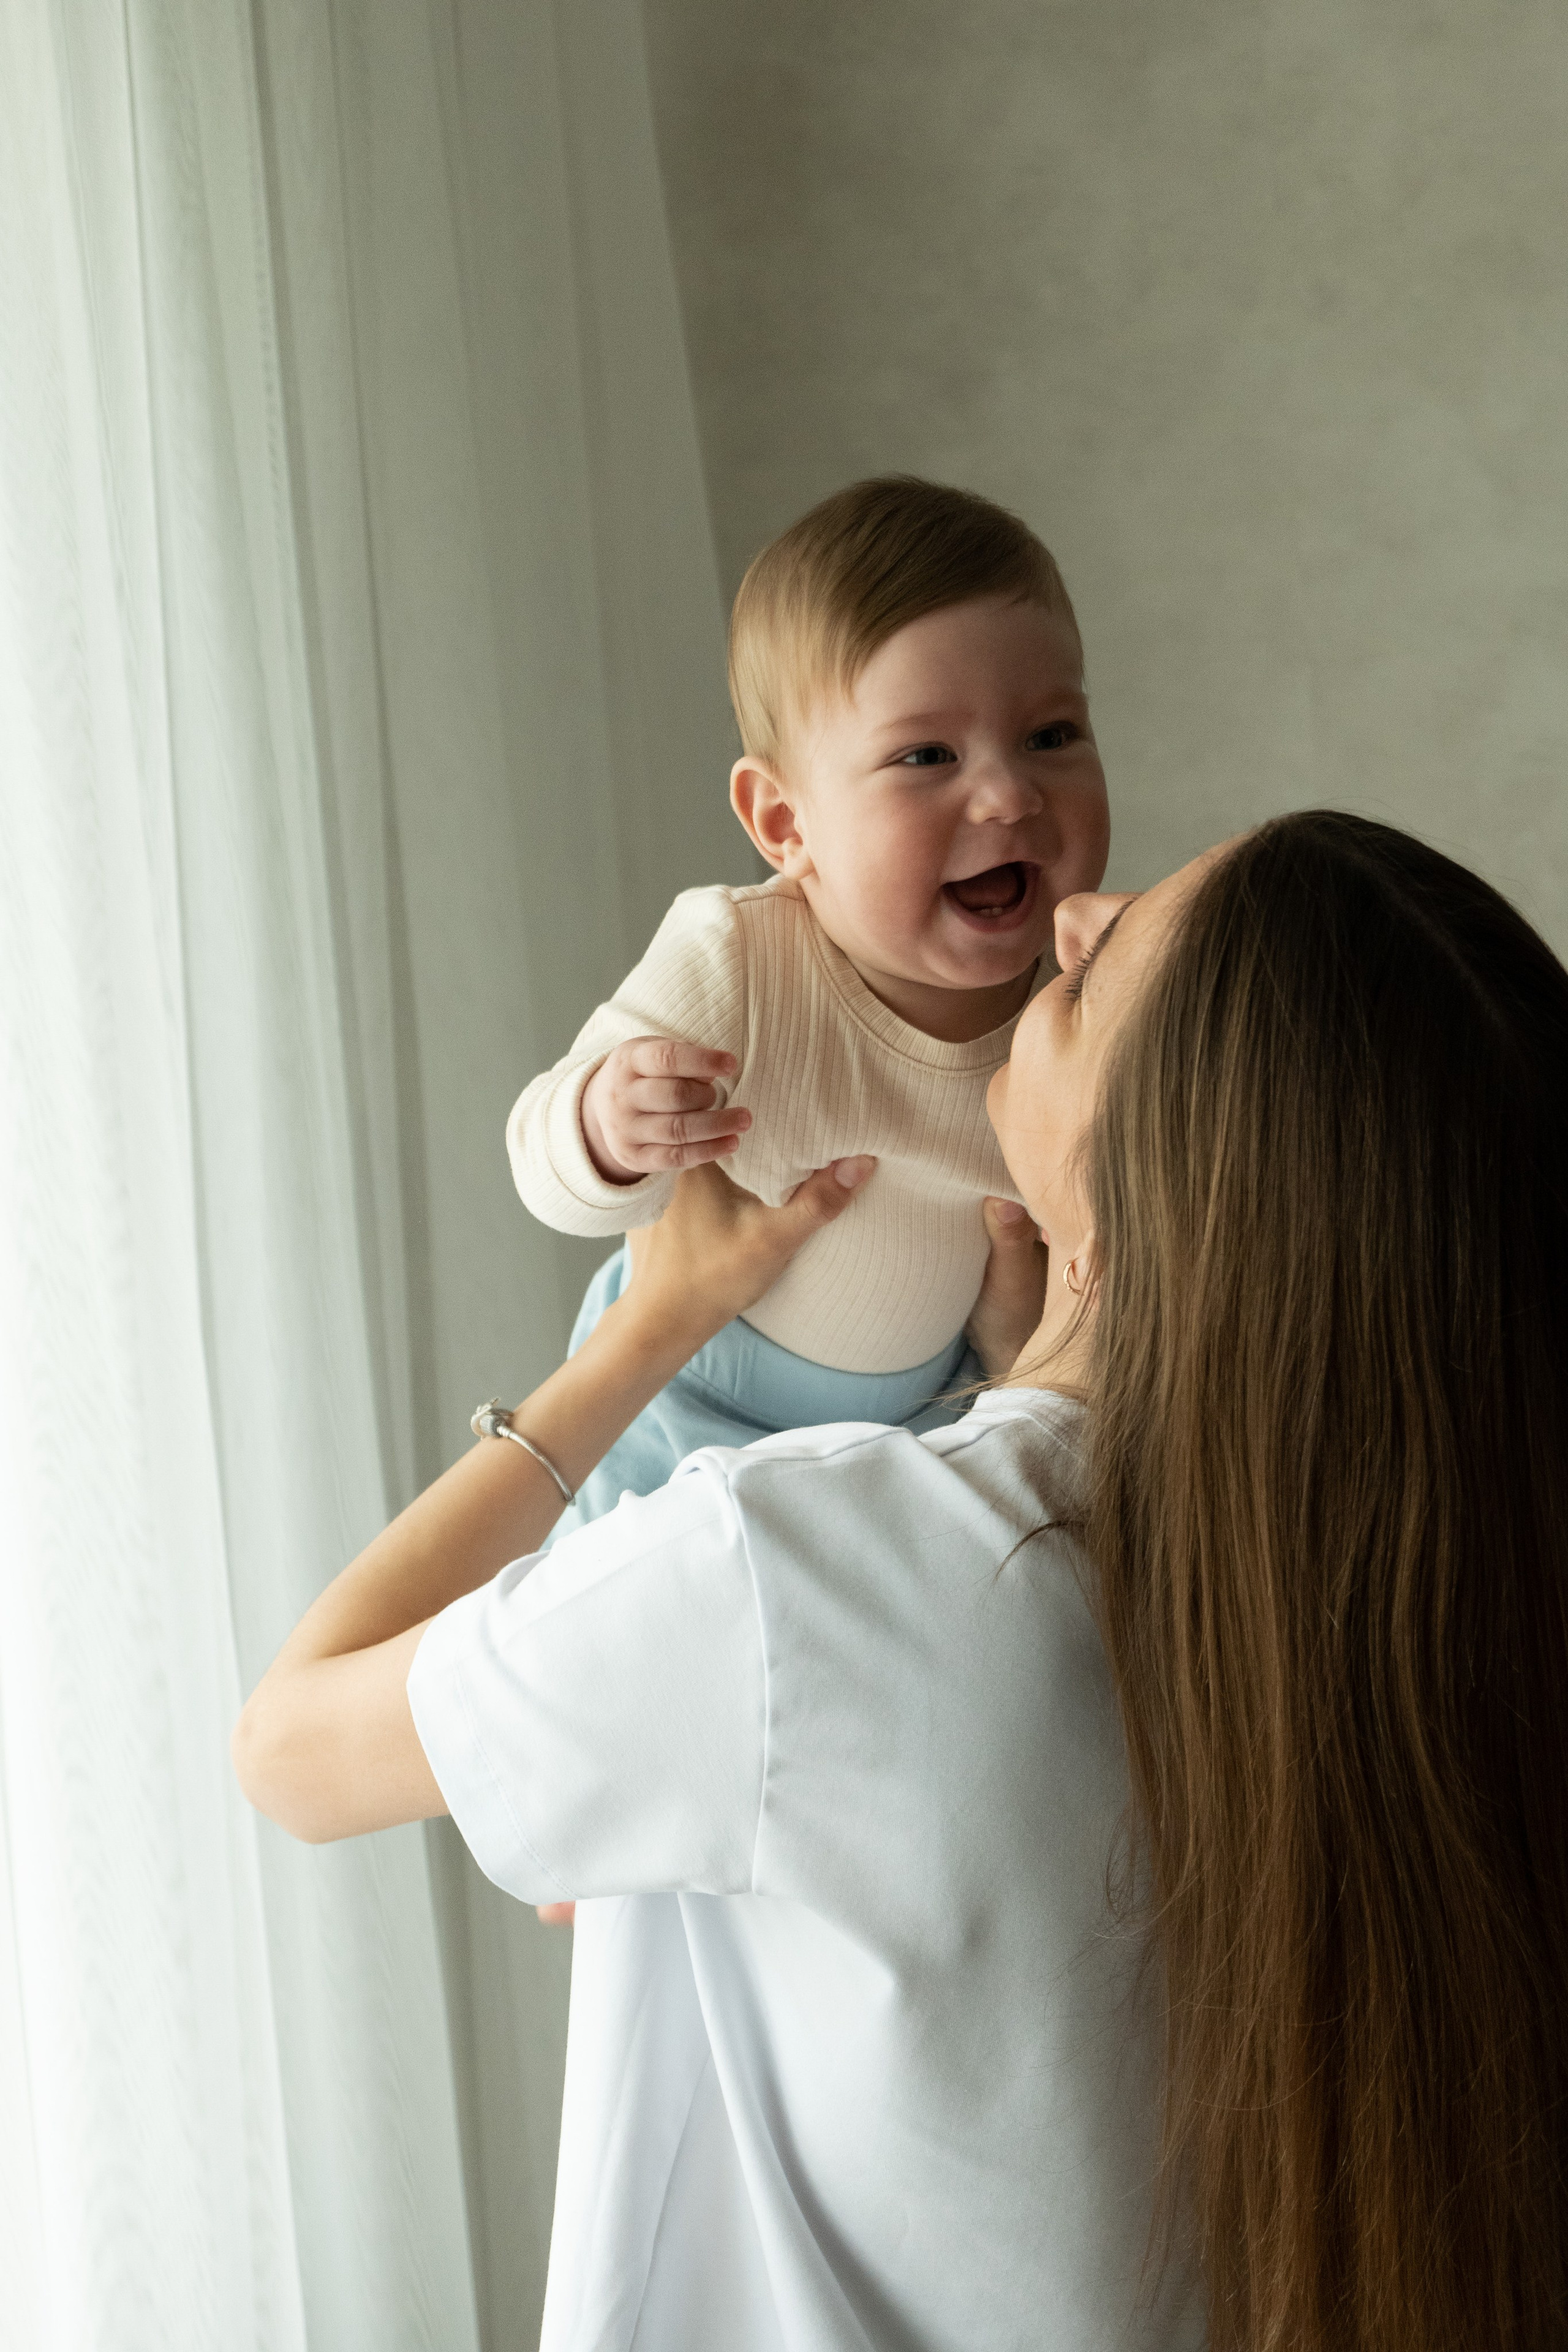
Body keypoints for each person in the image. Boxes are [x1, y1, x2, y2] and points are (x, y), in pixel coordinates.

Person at [235, 809, 1568, 2352]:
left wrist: (642, 1332)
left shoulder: (797, 1574)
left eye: (1122, 946)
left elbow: (289, 1748)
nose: (1074, 917)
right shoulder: (1427, 1614)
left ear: (1181, 1162)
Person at [508, 475, 1107, 1543]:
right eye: (928, 756)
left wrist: (1025, 1356)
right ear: (784, 821)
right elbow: (545, 1167)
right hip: (688, 1394)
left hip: (922, 1425)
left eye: (1052, 736)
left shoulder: (1080, 1008)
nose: (1011, 794)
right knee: (638, 1638)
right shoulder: (742, 958)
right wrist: (603, 1126)